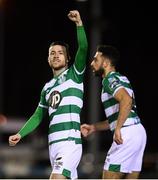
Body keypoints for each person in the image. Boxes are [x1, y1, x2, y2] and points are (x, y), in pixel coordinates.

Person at [9, 10, 88, 179]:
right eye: (52, 53)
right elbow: (38, 116)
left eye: (60, 53)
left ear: (67, 59)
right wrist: (20, 134)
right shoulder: (47, 87)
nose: (56, 55)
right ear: (48, 59)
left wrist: (79, 24)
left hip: (69, 143)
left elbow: (84, 48)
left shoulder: (75, 74)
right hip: (53, 145)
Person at [81, 45, 147, 179]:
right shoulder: (122, 78)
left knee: (108, 175)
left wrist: (118, 128)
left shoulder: (109, 80)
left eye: (95, 60)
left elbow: (126, 101)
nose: (92, 63)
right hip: (138, 132)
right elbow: (121, 113)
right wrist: (94, 127)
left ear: (105, 63)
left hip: (126, 133)